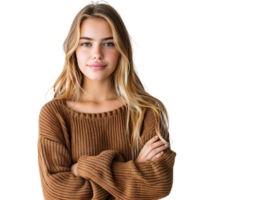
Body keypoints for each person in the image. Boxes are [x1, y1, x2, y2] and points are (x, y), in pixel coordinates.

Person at [36, 0, 178, 199]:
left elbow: (160, 183)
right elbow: (56, 191)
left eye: (108, 43)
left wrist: (81, 168)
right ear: (73, 50)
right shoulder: (53, 114)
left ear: (121, 50)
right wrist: (134, 169)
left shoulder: (147, 111)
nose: (97, 54)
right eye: (86, 43)